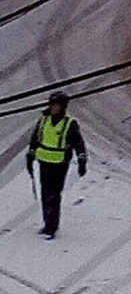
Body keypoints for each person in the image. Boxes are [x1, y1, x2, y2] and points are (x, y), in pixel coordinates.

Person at [26, 91, 87, 240]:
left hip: (59, 164)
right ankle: (47, 223)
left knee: (54, 195)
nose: (53, 108)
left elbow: (78, 143)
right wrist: (30, 155)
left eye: (56, 105)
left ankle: (52, 227)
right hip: (44, 161)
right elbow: (35, 139)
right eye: (52, 105)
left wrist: (82, 160)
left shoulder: (69, 124)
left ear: (63, 106)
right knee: (45, 194)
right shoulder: (43, 121)